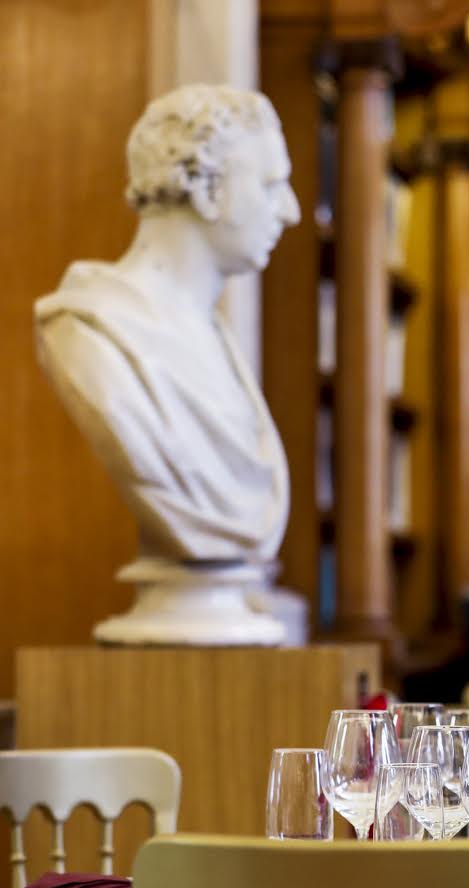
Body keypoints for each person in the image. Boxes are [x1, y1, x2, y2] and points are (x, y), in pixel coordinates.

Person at [34, 84, 302, 642]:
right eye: (272, 185)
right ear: (206, 189)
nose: (291, 210)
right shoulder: (91, 330)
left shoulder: (216, 341)